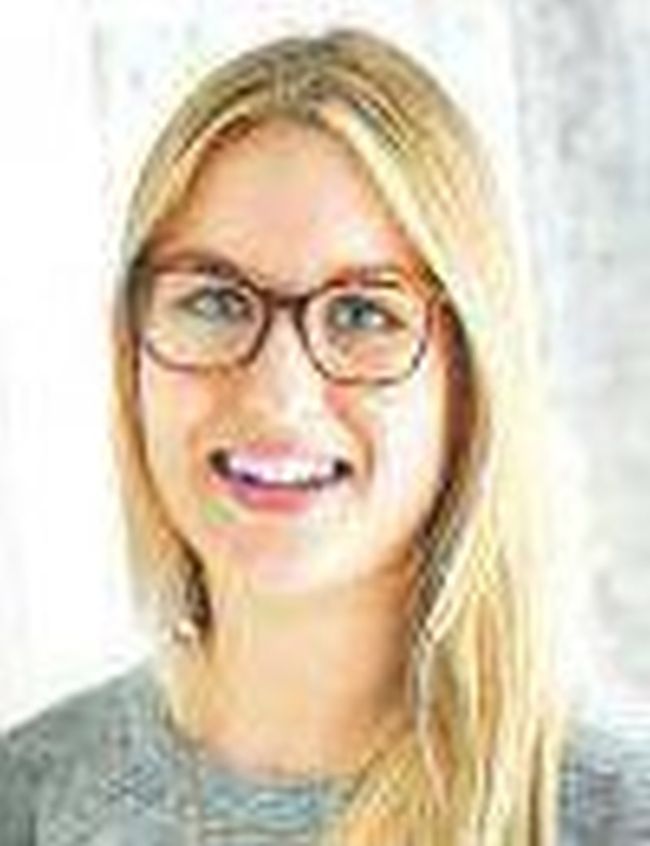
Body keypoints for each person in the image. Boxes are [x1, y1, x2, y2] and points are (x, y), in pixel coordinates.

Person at [0, 27, 647, 846]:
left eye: (363, 313)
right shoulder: (29, 800)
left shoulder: (616, 818)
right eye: (215, 301)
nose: (278, 395)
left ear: (471, 379)